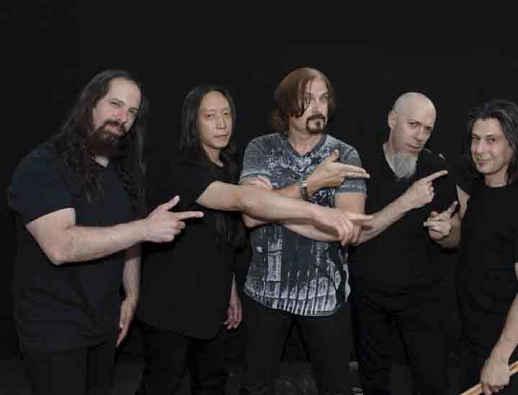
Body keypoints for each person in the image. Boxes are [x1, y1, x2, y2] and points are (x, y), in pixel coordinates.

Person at [135, 84, 370, 395]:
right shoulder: (183, 168)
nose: (221, 124)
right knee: (161, 385)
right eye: (210, 116)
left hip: (211, 306)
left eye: (226, 114)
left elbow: (223, 238)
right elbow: (245, 205)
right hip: (171, 305)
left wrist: (230, 289)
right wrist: (315, 201)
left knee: (212, 385)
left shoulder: (228, 167)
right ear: (192, 121)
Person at [6, 69, 204, 395]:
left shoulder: (122, 172)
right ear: (90, 103)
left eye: (132, 111)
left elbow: (131, 239)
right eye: (115, 104)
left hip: (103, 322)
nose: (123, 118)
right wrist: (144, 228)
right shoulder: (43, 165)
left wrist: (132, 296)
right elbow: (60, 246)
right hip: (52, 328)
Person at [239, 67, 373, 395]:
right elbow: (248, 215)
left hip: (325, 298)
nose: (318, 107)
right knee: (254, 388)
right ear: (286, 106)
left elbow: (348, 228)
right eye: (308, 99)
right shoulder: (261, 148)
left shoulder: (345, 154)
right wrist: (311, 185)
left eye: (323, 99)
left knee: (336, 388)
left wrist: (271, 209)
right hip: (264, 294)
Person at [349, 92, 460, 395]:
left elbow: (456, 236)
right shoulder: (360, 165)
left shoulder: (438, 168)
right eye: (413, 125)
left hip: (423, 299)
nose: (420, 136)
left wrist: (447, 231)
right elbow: (353, 232)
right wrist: (408, 201)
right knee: (373, 380)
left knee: (432, 380)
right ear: (392, 120)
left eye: (427, 129)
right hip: (369, 295)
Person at [455, 100, 518, 395]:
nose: (480, 149)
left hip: (509, 347)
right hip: (473, 339)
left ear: (513, 144)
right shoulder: (479, 188)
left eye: (491, 140)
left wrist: (500, 356)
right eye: (475, 139)